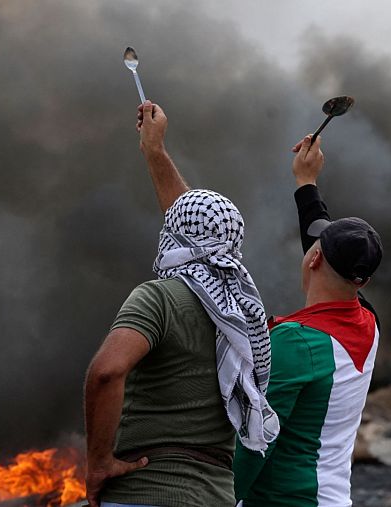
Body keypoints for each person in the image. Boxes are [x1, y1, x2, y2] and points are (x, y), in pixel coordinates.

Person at [83, 100, 278, 507]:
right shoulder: (242, 312)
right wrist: (154, 151)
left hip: (145, 492)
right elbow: (199, 225)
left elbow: (106, 372)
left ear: (175, 236)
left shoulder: (158, 298)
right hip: (215, 495)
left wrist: (99, 462)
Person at [233, 134, 383, 507]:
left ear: (314, 259)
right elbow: (320, 243)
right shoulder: (368, 323)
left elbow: (254, 442)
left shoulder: (295, 343)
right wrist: (306, 182)